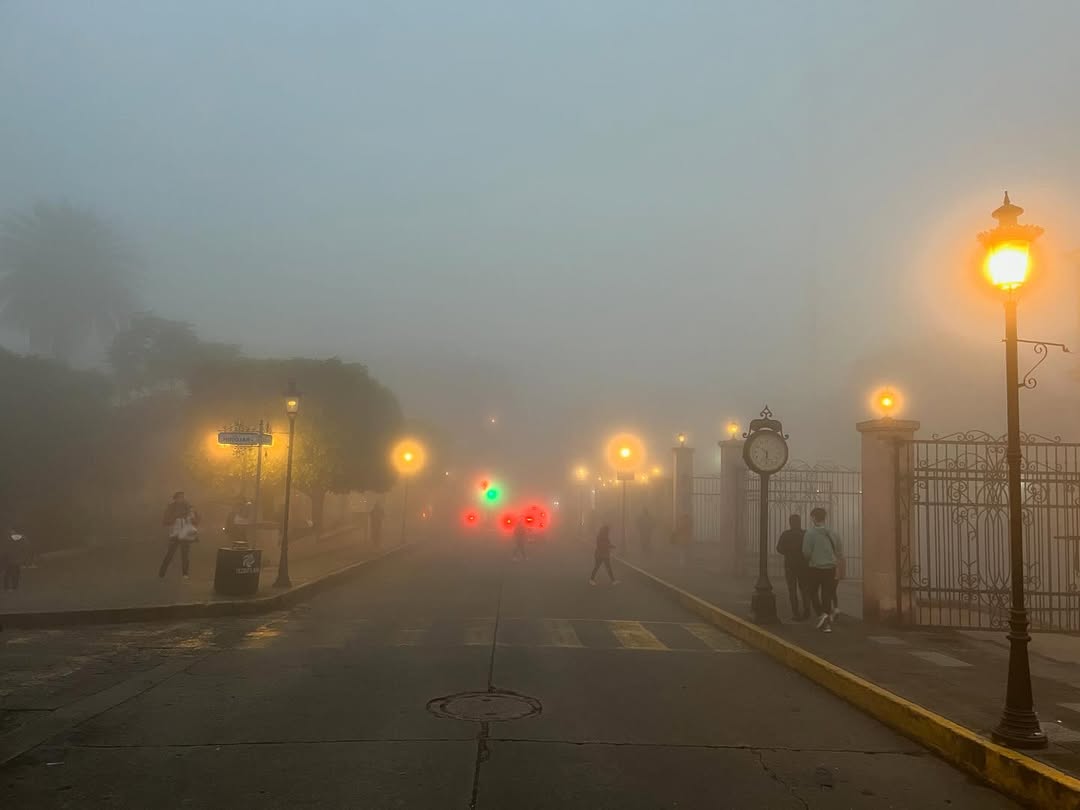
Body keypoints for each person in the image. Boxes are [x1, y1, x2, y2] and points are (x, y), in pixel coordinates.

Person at [802, 507, 843, 632]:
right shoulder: (833, 533)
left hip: (815, 568)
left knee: (812, 591)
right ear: (824, 518)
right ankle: (826, 624)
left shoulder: (810, 533)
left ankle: (821, 614)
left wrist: (813, 557)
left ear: (814, 517)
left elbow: (806, 552)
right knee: (827, 594)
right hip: (830, 568)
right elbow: (839, 551)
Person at [159, 491, 199, 580]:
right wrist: (175, 518)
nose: (181, 499)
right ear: (175, 498)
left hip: (185, 534)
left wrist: (193, 518)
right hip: (175, 533)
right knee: (170, 554)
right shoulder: (171, 507)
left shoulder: (189, 507)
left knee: (185, 555)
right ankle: (162, 573)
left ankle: (185, 574)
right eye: (179, 497)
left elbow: (196, 519)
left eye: (182, 497)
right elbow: (165, 520)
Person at [776, 514, 810, 620]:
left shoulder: (786, 534)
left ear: (790, 523)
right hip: (804, 566)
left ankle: (796, 613)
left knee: (792, 590)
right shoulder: (805, 534)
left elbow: (779, 548)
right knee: (804, 590)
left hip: (790, 566)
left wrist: (788, 552)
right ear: (800, 522)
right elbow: (810, 549)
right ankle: (807, 611)